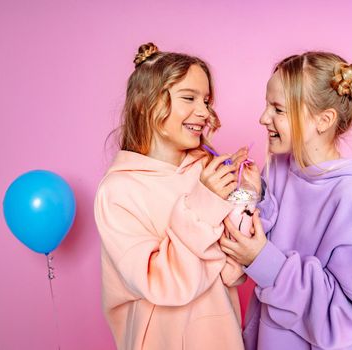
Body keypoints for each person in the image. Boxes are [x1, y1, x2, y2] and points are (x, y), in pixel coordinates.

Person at [219, 52, 352, 349]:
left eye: (278, 109)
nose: (263, 118)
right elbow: (243, 239)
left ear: (324, 120)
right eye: (267, 105)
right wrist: (247, 193)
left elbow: (349, 313)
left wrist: (263, 261)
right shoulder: (279, 168)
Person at [94, 43, 246, 350]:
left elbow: (233, 270)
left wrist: (246, 198)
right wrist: (205, 203)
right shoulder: (118, 191)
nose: (204, 112)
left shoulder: (204, 171)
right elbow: (159, 283)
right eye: (189, 98)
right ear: (144, 105)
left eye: (206, 100)